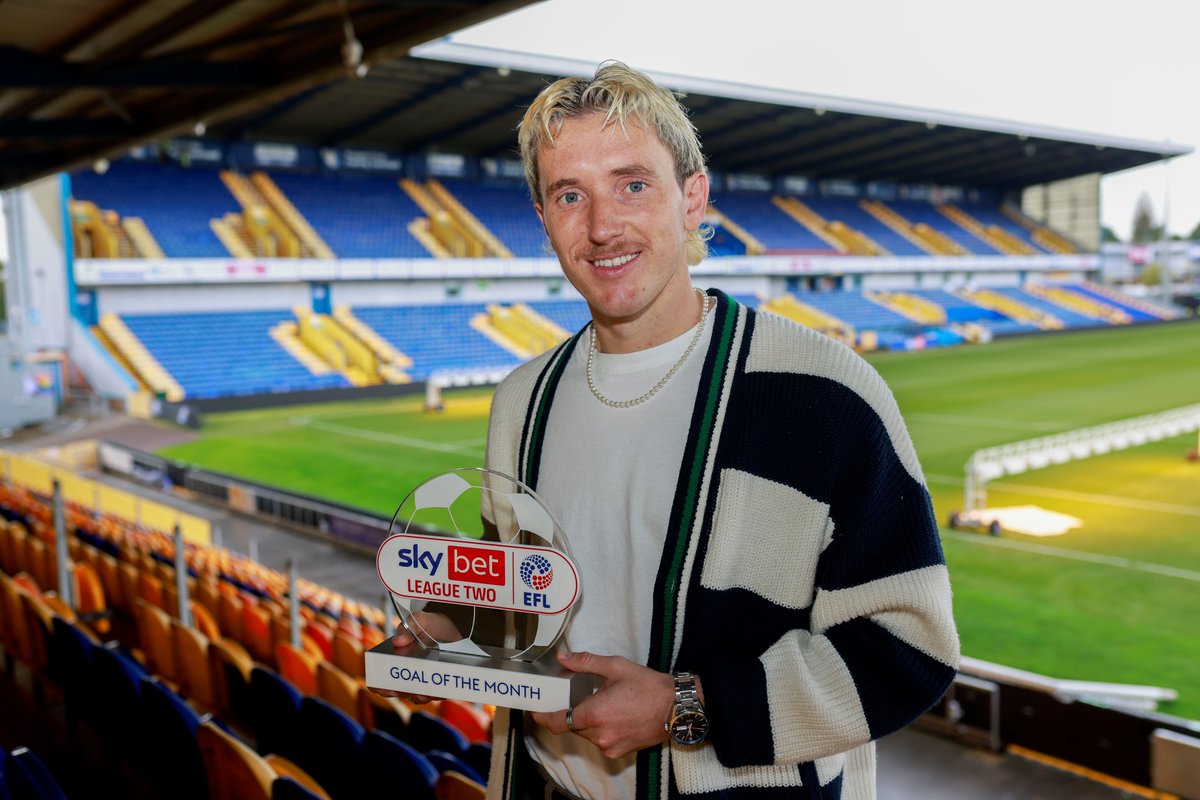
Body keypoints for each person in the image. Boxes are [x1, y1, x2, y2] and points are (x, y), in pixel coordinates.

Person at [394, 61, 960, 800]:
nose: (602, 227)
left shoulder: (824, 395)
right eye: (571, 195)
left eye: (633, 184)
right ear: (543, 219)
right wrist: (452, 633)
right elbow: (531, 603)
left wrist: (683, 709)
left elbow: (910, 651)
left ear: (693, 199)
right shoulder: (520, 401)